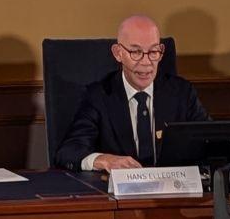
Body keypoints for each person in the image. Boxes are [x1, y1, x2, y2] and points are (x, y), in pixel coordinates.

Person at [54, 15, 209, 172]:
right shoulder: (99, 96)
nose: (146, 62)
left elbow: (211, 143)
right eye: (136, 52)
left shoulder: (182, 93)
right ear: (118, 53)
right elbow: (68, 152)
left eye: (154, 51)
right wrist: (104, 160)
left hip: (173, 191)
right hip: (119, 194)